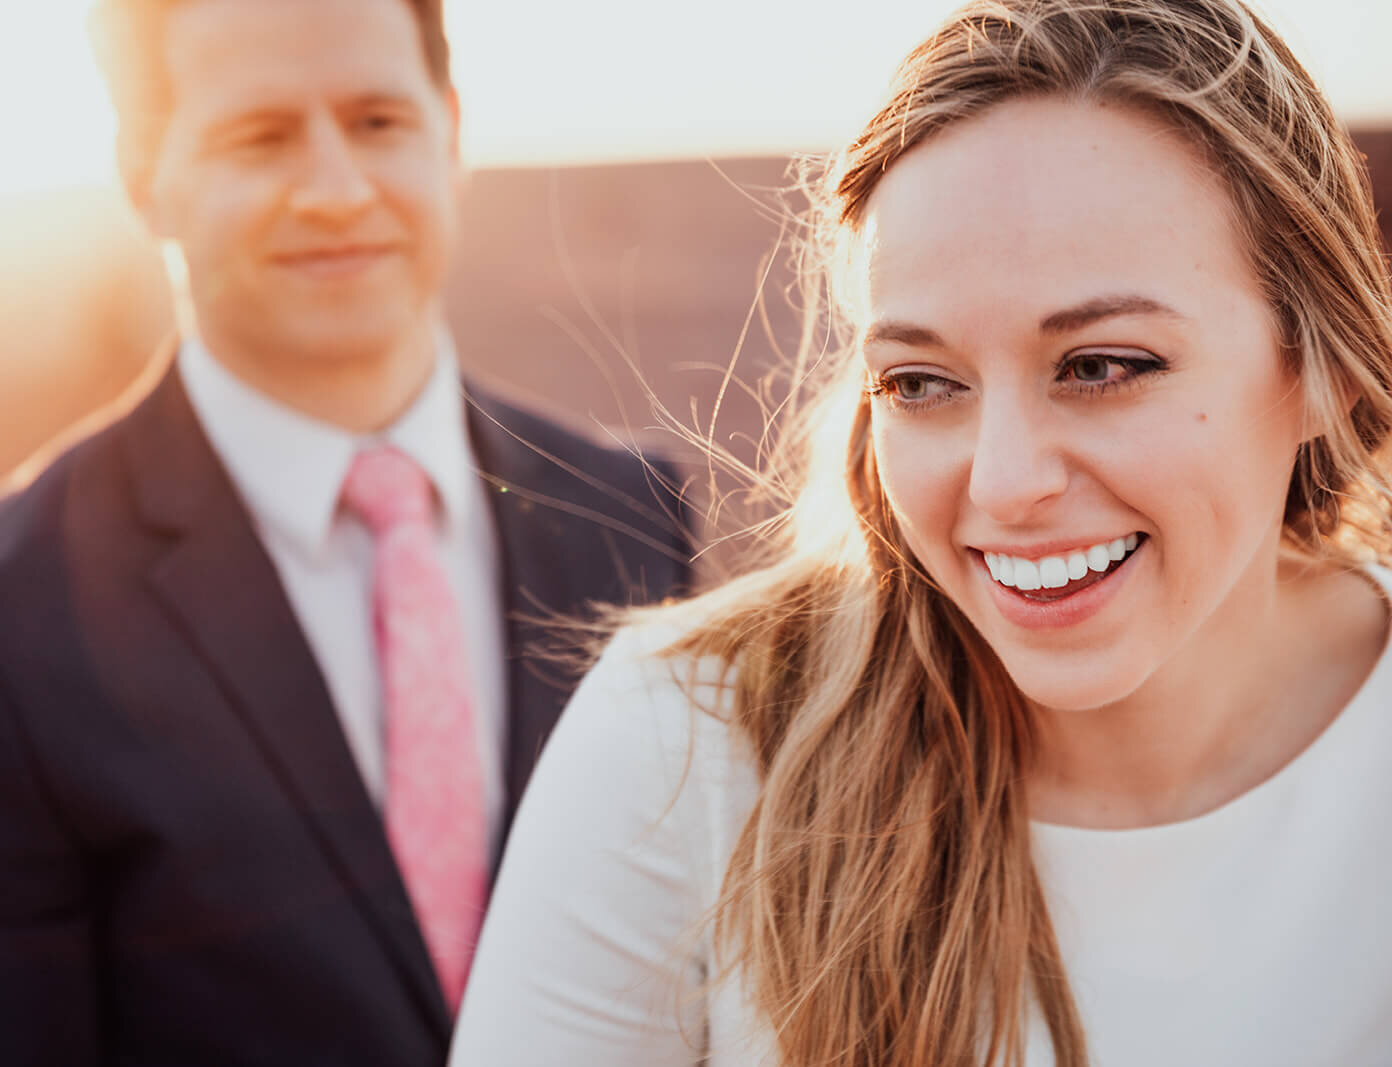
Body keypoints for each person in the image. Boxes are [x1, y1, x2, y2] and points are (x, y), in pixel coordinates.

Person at [448, 1, 1392, 1064]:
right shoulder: (688, 739)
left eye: (1101, 365)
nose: (1002, 482)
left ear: (1326, 369)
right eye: (921, 382)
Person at [0, 0, 690, 1063]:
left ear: (451, 132)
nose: (337, 191)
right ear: (142, 173)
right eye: (261, 135)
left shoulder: (631, 516)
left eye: (379, 121)